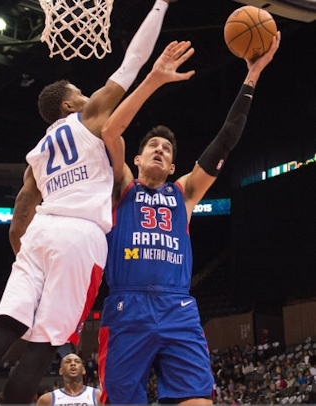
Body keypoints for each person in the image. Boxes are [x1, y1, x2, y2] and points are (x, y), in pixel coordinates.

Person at [0, 1, 175, 405]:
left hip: (39, 235)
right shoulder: (88, 119)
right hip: (80, 237)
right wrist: (160, 6)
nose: (88, 97)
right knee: (42, 348)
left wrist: (32, 260)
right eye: (80, 94)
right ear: (68, 105)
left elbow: (18, 223)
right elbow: (131, 63)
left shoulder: (36, 154)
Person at [97, 32, 281, 405]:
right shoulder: (122, 189)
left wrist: (253, 74)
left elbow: (226, 139)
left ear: (173, 165)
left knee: (199, 400)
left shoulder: (185, 193)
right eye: (153, 146)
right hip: (126, 309)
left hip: (177, 308)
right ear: (137, 159)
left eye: (166, 149)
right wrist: (155, 78)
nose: (160, 151)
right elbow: (109, 130)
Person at [36, 353, 101, 406]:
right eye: (68, 362)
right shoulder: (47, 400)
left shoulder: (98, 395)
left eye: (77, 362)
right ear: (60, 371)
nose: (73, 364)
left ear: (83, 370)